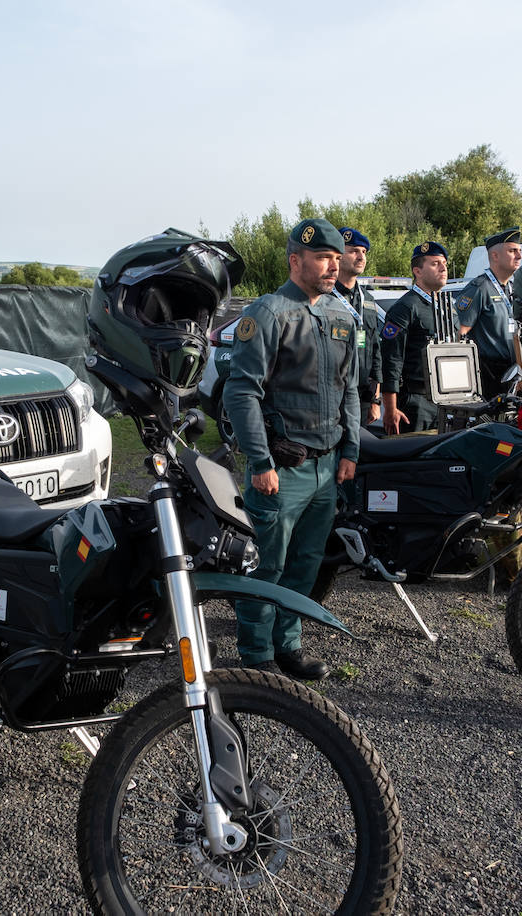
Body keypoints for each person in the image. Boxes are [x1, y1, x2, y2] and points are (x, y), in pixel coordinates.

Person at [222, 218, 359, 680]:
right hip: (281, 469)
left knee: (305, 565)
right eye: (323, 258)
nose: (333, 266)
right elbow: (242, 392)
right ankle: (256, 655)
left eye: (336, 258)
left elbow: (349, 389)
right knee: (267, 565)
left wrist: (351, 450)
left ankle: (288, 646)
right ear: (295, 260)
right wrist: (260, 461)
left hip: (327, 466)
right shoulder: (268, 313)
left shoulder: (341, 315)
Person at [381, 241, 449, 433]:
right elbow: (391, 359)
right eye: (435, 263)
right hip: (417, 401)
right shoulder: (406, 307)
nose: (443, 268)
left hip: (447, 399)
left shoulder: (447, 308)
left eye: (444, 263)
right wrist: (390, 407)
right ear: (417, 271)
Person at [455, 227, 522, 397]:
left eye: (519, 251)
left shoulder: (515, 288)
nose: (519, 256)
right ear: (495, 256)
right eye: (512, 251)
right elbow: (459, 334)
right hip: (490, 374)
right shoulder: (480, 288)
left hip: (517, 370)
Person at [333, 226, 382, 426]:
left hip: (362, 398)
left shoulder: (367, 299)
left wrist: (375, 400)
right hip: (333, 396)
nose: (361, 257)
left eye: (364, 252)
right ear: (337, 255)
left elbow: (375, 350)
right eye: (354, 251)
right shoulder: (324, 297)